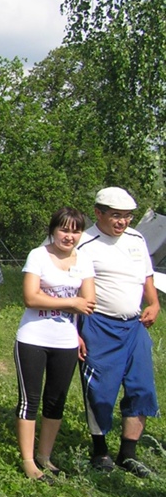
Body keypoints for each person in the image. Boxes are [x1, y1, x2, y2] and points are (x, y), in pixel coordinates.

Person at [76, 187, 160, 478]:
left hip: (134, 325)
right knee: (100, 389)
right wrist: (74, 332)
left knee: (141, 388)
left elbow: (145, 274)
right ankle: (100, 451)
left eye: (127, 216)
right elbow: (68, 287)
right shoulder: (84, 244)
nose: (122, 222)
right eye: (116, 216)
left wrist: (154, 301)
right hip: (99, 324)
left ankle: (128, 453)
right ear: (98, 213)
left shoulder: (136, 238)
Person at [14, 208, 96, 482]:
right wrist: (70, 302)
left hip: (66, 340)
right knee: (30, 401)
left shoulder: (83, 260)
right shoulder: (38, 255)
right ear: (53, 230)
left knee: (56, 401)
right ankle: (28, 461)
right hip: (33, 338)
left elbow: (89, 301)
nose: (69, 236)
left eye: (75, 231)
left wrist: (70, 304)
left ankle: (44, 457)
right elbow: (30, 297)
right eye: (64, 230)